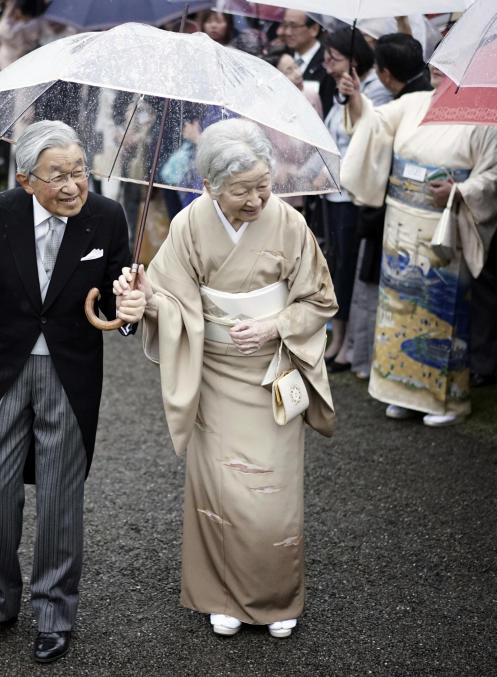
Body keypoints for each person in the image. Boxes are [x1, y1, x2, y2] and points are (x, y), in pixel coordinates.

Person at [115, 118, 336, 638]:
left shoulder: (289, 224)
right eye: (241, 190)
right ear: (209, 185)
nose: (257, 199)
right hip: (212, 371)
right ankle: (223, 595)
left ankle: (277, 596)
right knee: (220, 488)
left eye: (263, 185)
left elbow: (320, 299)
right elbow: (168, 298)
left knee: (271, 491)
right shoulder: (191, 224)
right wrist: (141, 298)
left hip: (269, 371)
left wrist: (275, 325)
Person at [0, 121, 145, 663]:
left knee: (59, 500)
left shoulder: (107, 216)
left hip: (71, 376)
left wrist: (128, 312)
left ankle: (54, 612)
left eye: (80, 171)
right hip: (4, 370)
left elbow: (120, 305)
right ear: (28, 179)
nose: (74, 185)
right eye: (59, 176)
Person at [340, 65, 497, 426]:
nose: (436, 68)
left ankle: (443, 401)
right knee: (398, 307)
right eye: (436, 61)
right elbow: (372, 124)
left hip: (445, 226)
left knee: (440, 308)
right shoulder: (413, 103)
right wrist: (355, 98)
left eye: (447, 65)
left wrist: (460, 191)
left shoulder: (484, 120)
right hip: (400, 222)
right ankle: (398, 390)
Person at [341, 33, 431, 380]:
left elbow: (370, 133)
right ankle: (378, 361)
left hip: (400, 212)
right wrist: (356, 98)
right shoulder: (420, 98)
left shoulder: (405, 105)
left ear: (384, 73)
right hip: (409, 213)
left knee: (394, 294)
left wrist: (356, 100)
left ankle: (385, 364)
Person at [320, 27, 392, 372]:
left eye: (333, 58)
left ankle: (348, 343)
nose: (327, 65)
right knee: (336, 265)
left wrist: (357, 98)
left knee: (348, 267)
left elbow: (370, 133)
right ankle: (338, 337)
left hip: (354, 195)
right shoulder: (339, 90)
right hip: (333, 193)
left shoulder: (374, 89)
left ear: (353, 59)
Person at [275, 9, 332, 115]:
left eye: (294, 26)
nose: (287, 32)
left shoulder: (328, 63)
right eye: (285, 25)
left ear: (314, 29)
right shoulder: (281, 56)